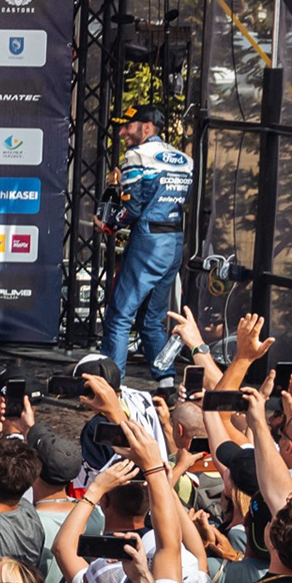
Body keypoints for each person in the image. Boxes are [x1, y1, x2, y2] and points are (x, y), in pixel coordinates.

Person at [103, 106, 193, 381]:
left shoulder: (136, 156)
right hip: (174, 242)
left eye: (127, 126)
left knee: (119, 317)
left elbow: (133, 208)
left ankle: (110, 386)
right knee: (152, 319)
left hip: (148, 243)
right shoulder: (185, 160)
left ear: (146, 127)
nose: (122, 133)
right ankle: (166, 381)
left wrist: (109, 222)